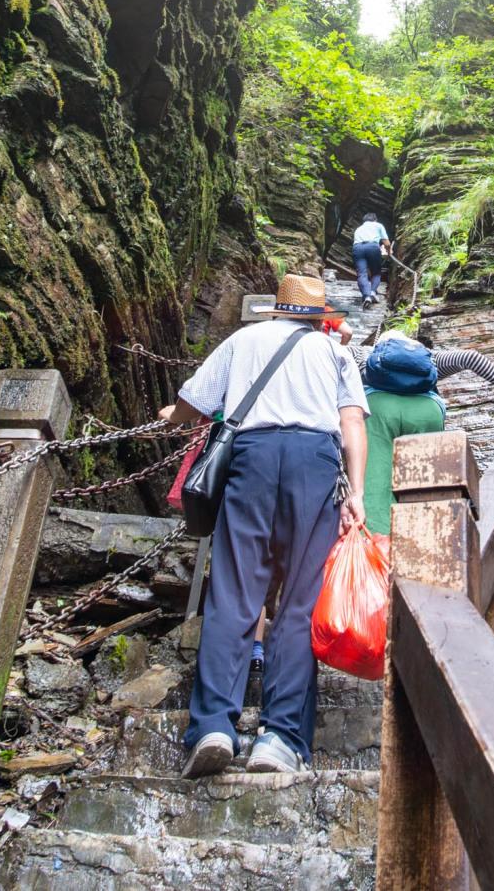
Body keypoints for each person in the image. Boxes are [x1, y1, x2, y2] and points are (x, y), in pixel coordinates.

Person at [159, 274, 367, 777]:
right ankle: (279, 737)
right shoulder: (334, 354)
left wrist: (171, 415)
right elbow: (352, 425)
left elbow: (193, 402)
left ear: (276, 309)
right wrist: (356, 493)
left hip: (251, 459)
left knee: (233, 592)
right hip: (314, 462)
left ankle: (213, 726)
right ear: (318, 317)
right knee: (299, 600)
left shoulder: (243, 340)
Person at [348, 334, 494, 535]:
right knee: (426, 479)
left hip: (378, 411)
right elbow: (471, 357)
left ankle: (376, 538)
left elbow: (333, 358)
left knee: (375, 474)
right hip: (426, 412)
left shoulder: (363, 354)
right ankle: (425, 535)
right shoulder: (429, 359)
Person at [351, 213, 390, 305]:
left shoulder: (358, 229)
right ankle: (372, 292)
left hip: (358, 248)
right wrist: (388, 252)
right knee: (376, 272)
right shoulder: (378, 225)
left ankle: (366, 296)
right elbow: (386, 243)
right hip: (372, 247)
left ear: (364, 221)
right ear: (375, 220)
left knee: (362, 274)